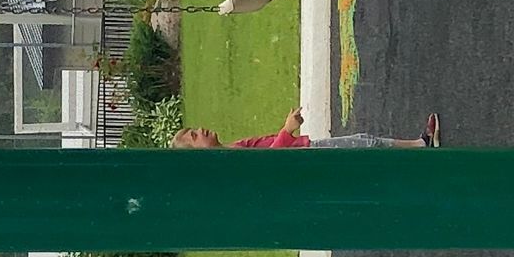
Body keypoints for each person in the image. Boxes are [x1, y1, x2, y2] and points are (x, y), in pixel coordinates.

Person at [175, 106, 439, 149]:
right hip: (307, 158)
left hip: (306, 148)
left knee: (364, 142)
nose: (201, 129)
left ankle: (419, 144)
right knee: (364, 144)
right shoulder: (232, 160)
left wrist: (287, 130)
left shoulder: (233, 147)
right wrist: (287, 130)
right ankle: (421, 145)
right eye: (194, 136)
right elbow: (269, 164)